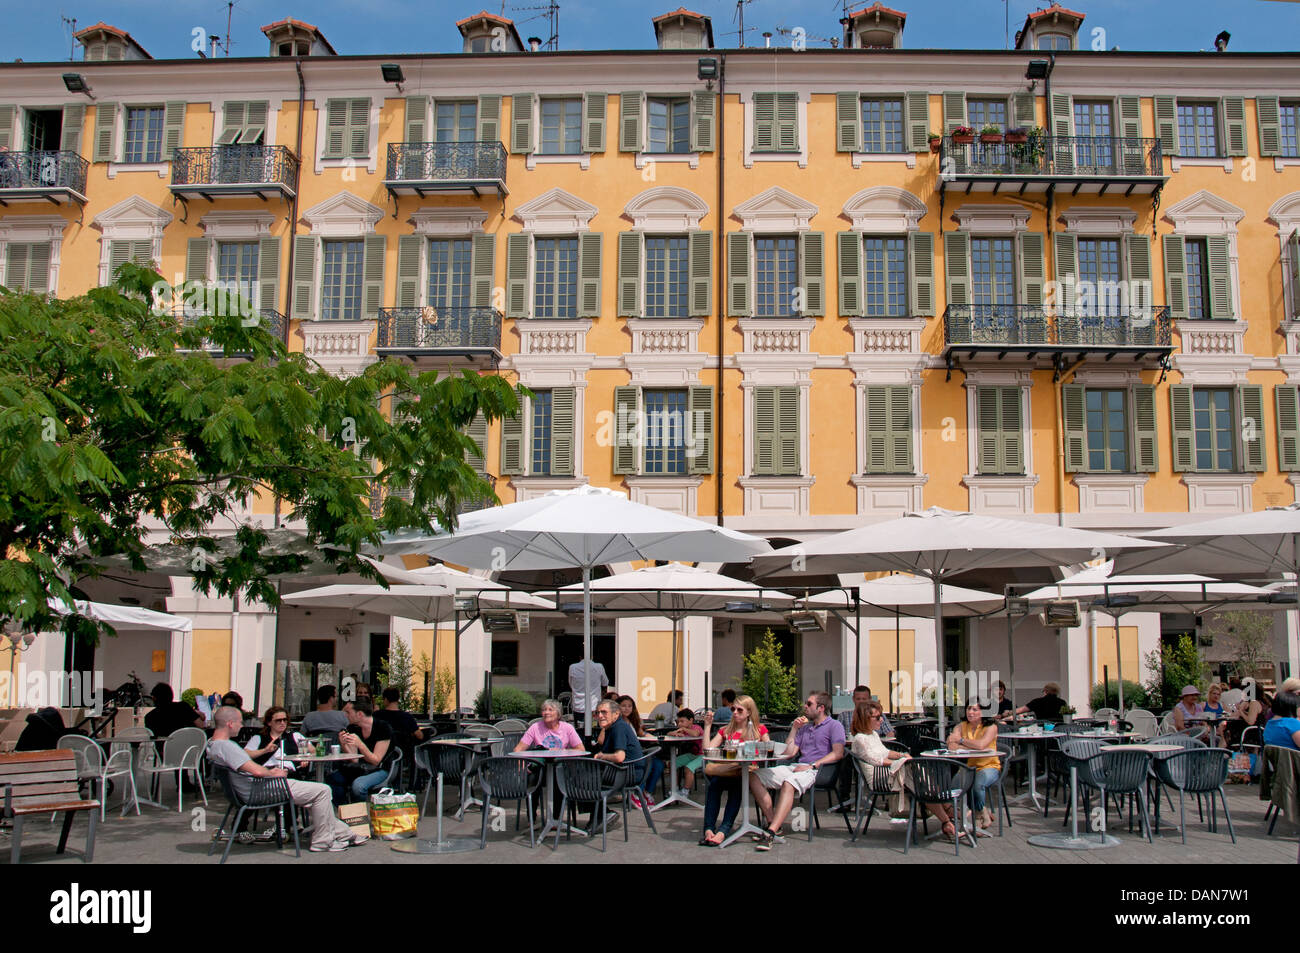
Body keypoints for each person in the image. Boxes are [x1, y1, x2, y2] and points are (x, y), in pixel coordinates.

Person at [206, 706, 362, 852]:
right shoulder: (227, 746)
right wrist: (273, 773)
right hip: (263, 789)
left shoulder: (213, 745)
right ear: (230, 723)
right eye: (240, 722)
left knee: (315, 797)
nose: (241, 725)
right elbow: (256, 771)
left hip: (253, 789)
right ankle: (322, 841)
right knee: (323, 790)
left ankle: (344, 833)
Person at [752, 691, 846, 850]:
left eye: (809, 704)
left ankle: (771, 832)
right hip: (797, 767)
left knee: (788, 783)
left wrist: (813, 765)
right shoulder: (805, 728)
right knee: (754, 776)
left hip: (818, 770)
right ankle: (773, 823)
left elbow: (838, 753)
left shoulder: (834, 726)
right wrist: (795, 729)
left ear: (821, 708)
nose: (805, 707)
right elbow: (789, 753)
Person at [700, 694, 768, 846]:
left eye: (739, 710)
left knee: (737, 786)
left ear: (749, 712)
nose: (735, 712)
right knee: (714, 786)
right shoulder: (726, 730)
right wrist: (707, 726)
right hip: (729, 769)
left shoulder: (758, 729)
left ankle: (723, 830)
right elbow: (707, 749)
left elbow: (769, 749)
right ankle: (709, 829)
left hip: (748, 771)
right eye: (733, 709)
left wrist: (756, 745)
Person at [848, 700, 910, 818]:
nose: (881, 719)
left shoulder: (873, 734)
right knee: (920, 780)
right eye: (877, 717)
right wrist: (902, 762)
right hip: (879, 779)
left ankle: (946, 818)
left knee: (922, 780)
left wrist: (903, 755)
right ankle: (947, 815)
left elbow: (886, 752)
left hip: (888, 774)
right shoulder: (860, 739)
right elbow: (876, 760)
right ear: (865, 719)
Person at [328, 698, 393, 805]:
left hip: (380, 769)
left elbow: (375, 761)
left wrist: (360, 744)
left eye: (348, 712)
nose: (345, 715)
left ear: (359, 714)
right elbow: (354, 759)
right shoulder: (352, 728)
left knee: (358, 786)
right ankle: (346, 812)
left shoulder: (383, 728)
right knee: (332, 779)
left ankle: (359, 814)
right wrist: (343, 744)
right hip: (359, 768)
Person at [948, 702, 1000, 831]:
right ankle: (982, 811)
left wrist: (961, 741)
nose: (970, 712)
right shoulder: (961, 726)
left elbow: (982, 745)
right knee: (954, 788)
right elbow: (950, 745)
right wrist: (966, 744)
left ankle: (977, 817)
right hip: (969, 766)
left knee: (977, 786)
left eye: (975, 709)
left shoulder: (991, 727)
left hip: (989, 765)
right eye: (968, 708)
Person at [592, 698, 646, 810]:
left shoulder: (618, 727)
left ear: (616, 714)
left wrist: (602, 756)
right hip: (624, 770)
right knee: (581, 775)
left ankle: (601, 815)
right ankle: (600, 814)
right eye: (598, 712)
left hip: (629, 773)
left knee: (583, 779)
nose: (600, 716)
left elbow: (619, 756)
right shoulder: (611, 727)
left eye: (604, 712)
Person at [642, 708, 704, 801]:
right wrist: (674, 733)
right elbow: (669, 733)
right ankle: (675, 789)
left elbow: (695, 734)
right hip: (691, 754)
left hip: (702, 755)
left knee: (689, 768)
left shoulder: (696, 727)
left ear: (691, 720)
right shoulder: (682, 729)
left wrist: (684, 729)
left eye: (682, 721)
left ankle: (685, 792)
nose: (679, 724)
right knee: (673, 764)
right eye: (678, 722)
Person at [244, 706, 306, 773]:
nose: (282, 723)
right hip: (267, 774)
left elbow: (313, 751)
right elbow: (244, 755)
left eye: (285, 720)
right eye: (278, 720)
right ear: (269, 722)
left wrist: (305, 759)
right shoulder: (258, 738)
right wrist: (264, 751)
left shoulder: (296, 736)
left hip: (290, 773)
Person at [514, 699, 584, 751]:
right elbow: (518, 749)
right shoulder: (535, 727)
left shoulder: (568, 728)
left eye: (550, 710)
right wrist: (521, 761)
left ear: (558, 714)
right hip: (541, 765)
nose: (546, 712)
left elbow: (581, 749)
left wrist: (563, 751)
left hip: (561, 764)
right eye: (544, 710)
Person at [567, 658, 609, 734]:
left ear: (579, 657)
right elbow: (605, 683)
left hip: (578, 705)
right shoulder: (599, 667)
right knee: (595, 731)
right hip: (594, 706)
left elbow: (571, 684)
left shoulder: (573, 667)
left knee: (579, 732)